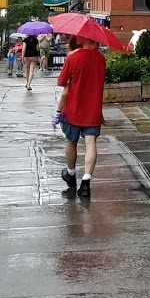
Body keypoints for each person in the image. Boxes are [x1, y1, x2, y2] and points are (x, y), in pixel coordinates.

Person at [53, 35, 105, 198]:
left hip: (74, 109)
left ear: (86, 37)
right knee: (91, 143)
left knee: (71, 141)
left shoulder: (73, 57)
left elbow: (61, 82)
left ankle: (71, 173)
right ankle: (86, 182)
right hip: (93, 109)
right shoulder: (101, 59)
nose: (76, 37)